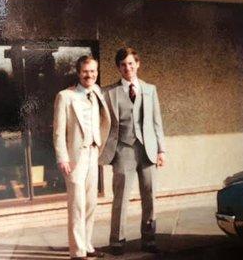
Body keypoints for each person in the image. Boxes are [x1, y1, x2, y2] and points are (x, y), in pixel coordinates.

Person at [100, 47, 166, 255]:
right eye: (123, 65)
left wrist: (161, 150)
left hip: (148, 150)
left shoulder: (150, 89)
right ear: (118, 68)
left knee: (150, 196)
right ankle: (117, 241)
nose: (127, 68)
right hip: (123, 151)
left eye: (130, 63)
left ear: (137, 64)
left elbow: (157, 122)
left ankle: (149, 239)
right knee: (120, 199)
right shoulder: (109, 92)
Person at [53, 55, 110, 260]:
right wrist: (63, 158)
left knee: (90, 203)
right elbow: (59, 132)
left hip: (93, 153)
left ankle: (87, 245)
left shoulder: (97, 92)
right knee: (77, 204)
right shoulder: (65, 96)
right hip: (75, 157)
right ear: (78, 73)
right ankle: (77, 252)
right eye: (86, 71)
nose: (90, 75)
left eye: (93, 71)